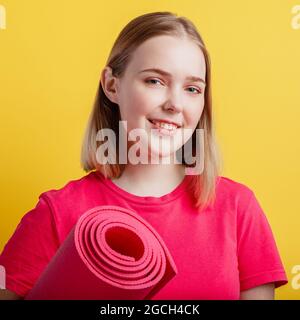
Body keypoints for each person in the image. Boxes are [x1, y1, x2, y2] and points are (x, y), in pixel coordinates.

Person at [0, 11, 288, 300]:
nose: (175, 104)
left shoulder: (238, 208)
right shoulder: (56, 213)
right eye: (155, 81)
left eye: (192, 89)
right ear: (112, 85)